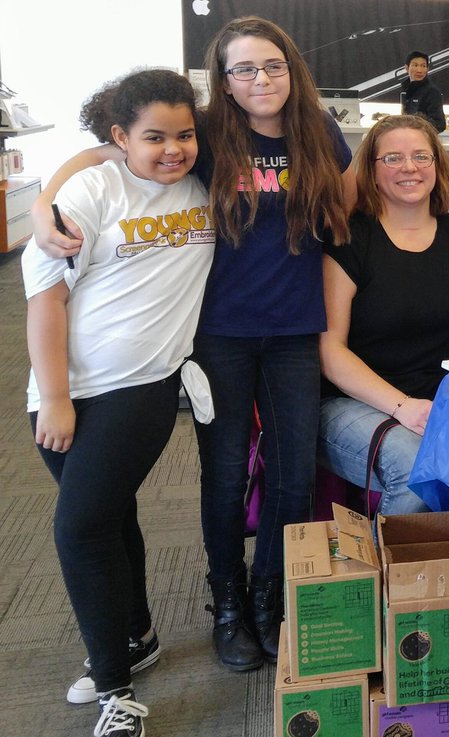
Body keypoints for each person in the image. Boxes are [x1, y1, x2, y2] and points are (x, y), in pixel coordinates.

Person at [32, 16, 356, 673]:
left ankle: (272, 596)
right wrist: (45, 201)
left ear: (291, 69)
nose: (260, 79)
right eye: (243, 69)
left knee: (295, 473)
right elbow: (109, 152)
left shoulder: (319, 133)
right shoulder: (209, 134)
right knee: (227, 473)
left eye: (271, 65)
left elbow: (347, 215)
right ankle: (228, 602)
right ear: (225, 83)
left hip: (296, 329)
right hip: (220, 336)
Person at [24, 68, 214, 737]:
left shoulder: (206, 184)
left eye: (184, 134)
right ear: (119, 137)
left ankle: (114, 688)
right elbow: (45, 301)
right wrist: (54, 398)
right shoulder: (92, 188)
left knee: (80, 527)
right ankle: (134, 633)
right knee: (106, 519)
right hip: (61, 394)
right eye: (153, 137)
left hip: (144, 386)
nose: (173, 149)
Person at [318, 114, 449, 515]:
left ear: (437, 164)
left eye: (422, 156)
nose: (409, 167)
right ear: (372, 169)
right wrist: (402, 406)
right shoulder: (350, 239)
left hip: (441, 394)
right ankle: (389, 578)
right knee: (421, 470)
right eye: (393, 158)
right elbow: (330, 350)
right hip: (355, 401)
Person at [400, 51, 447, 132]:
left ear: (427, 69)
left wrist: (418, 128)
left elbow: (439, 124)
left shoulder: (432, 92)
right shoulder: (405, 88)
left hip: (421, 138)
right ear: (407, 68)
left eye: (423, 66)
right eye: (415, 65)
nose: (419, 70)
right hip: (407, 135)